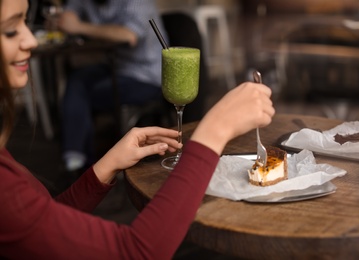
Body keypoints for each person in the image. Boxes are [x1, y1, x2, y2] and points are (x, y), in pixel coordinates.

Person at [0, 0, 275, 258]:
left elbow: (47, 224)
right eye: (11, 30)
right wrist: (214, 130)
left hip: (143, 77)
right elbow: (135, 251)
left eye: (24, 23)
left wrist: (106, 165)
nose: (31, 40)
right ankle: (73, 155)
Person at [57, 0, 168, 173]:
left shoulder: (137, 2)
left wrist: (78, 26)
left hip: (146, 75)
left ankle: (89, 163)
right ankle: (75, 156)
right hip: (117, 66)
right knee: (77, 80)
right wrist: (66, 18)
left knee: (84, 94)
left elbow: (128, 35)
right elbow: (69, 11)